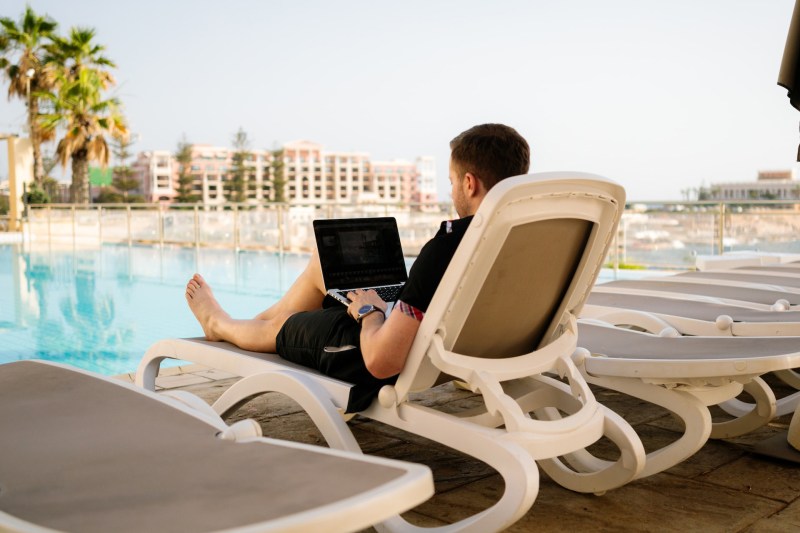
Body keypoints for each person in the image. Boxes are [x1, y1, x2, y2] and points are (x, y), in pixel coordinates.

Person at [186, 123, 530, 411]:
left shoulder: (447, 248)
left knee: (288, 325)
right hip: (463, 346)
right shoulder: (530, 240)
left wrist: (369, 311)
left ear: (470, 183)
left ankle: (223, 324)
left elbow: (382, 361)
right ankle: (256, 323)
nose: (452, 190)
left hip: (374, 354)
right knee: (324, 266)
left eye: (453, 181)